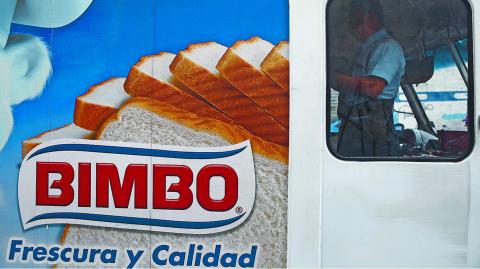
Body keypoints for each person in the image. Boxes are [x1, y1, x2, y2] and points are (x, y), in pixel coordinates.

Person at [334, 0, 406, 157]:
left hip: (374, 133)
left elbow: (373, 87)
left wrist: (333, 78)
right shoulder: (364, 50)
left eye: (357, 20)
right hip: (354, 127)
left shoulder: (389, 47)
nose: (353, 26)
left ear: (372, 19)